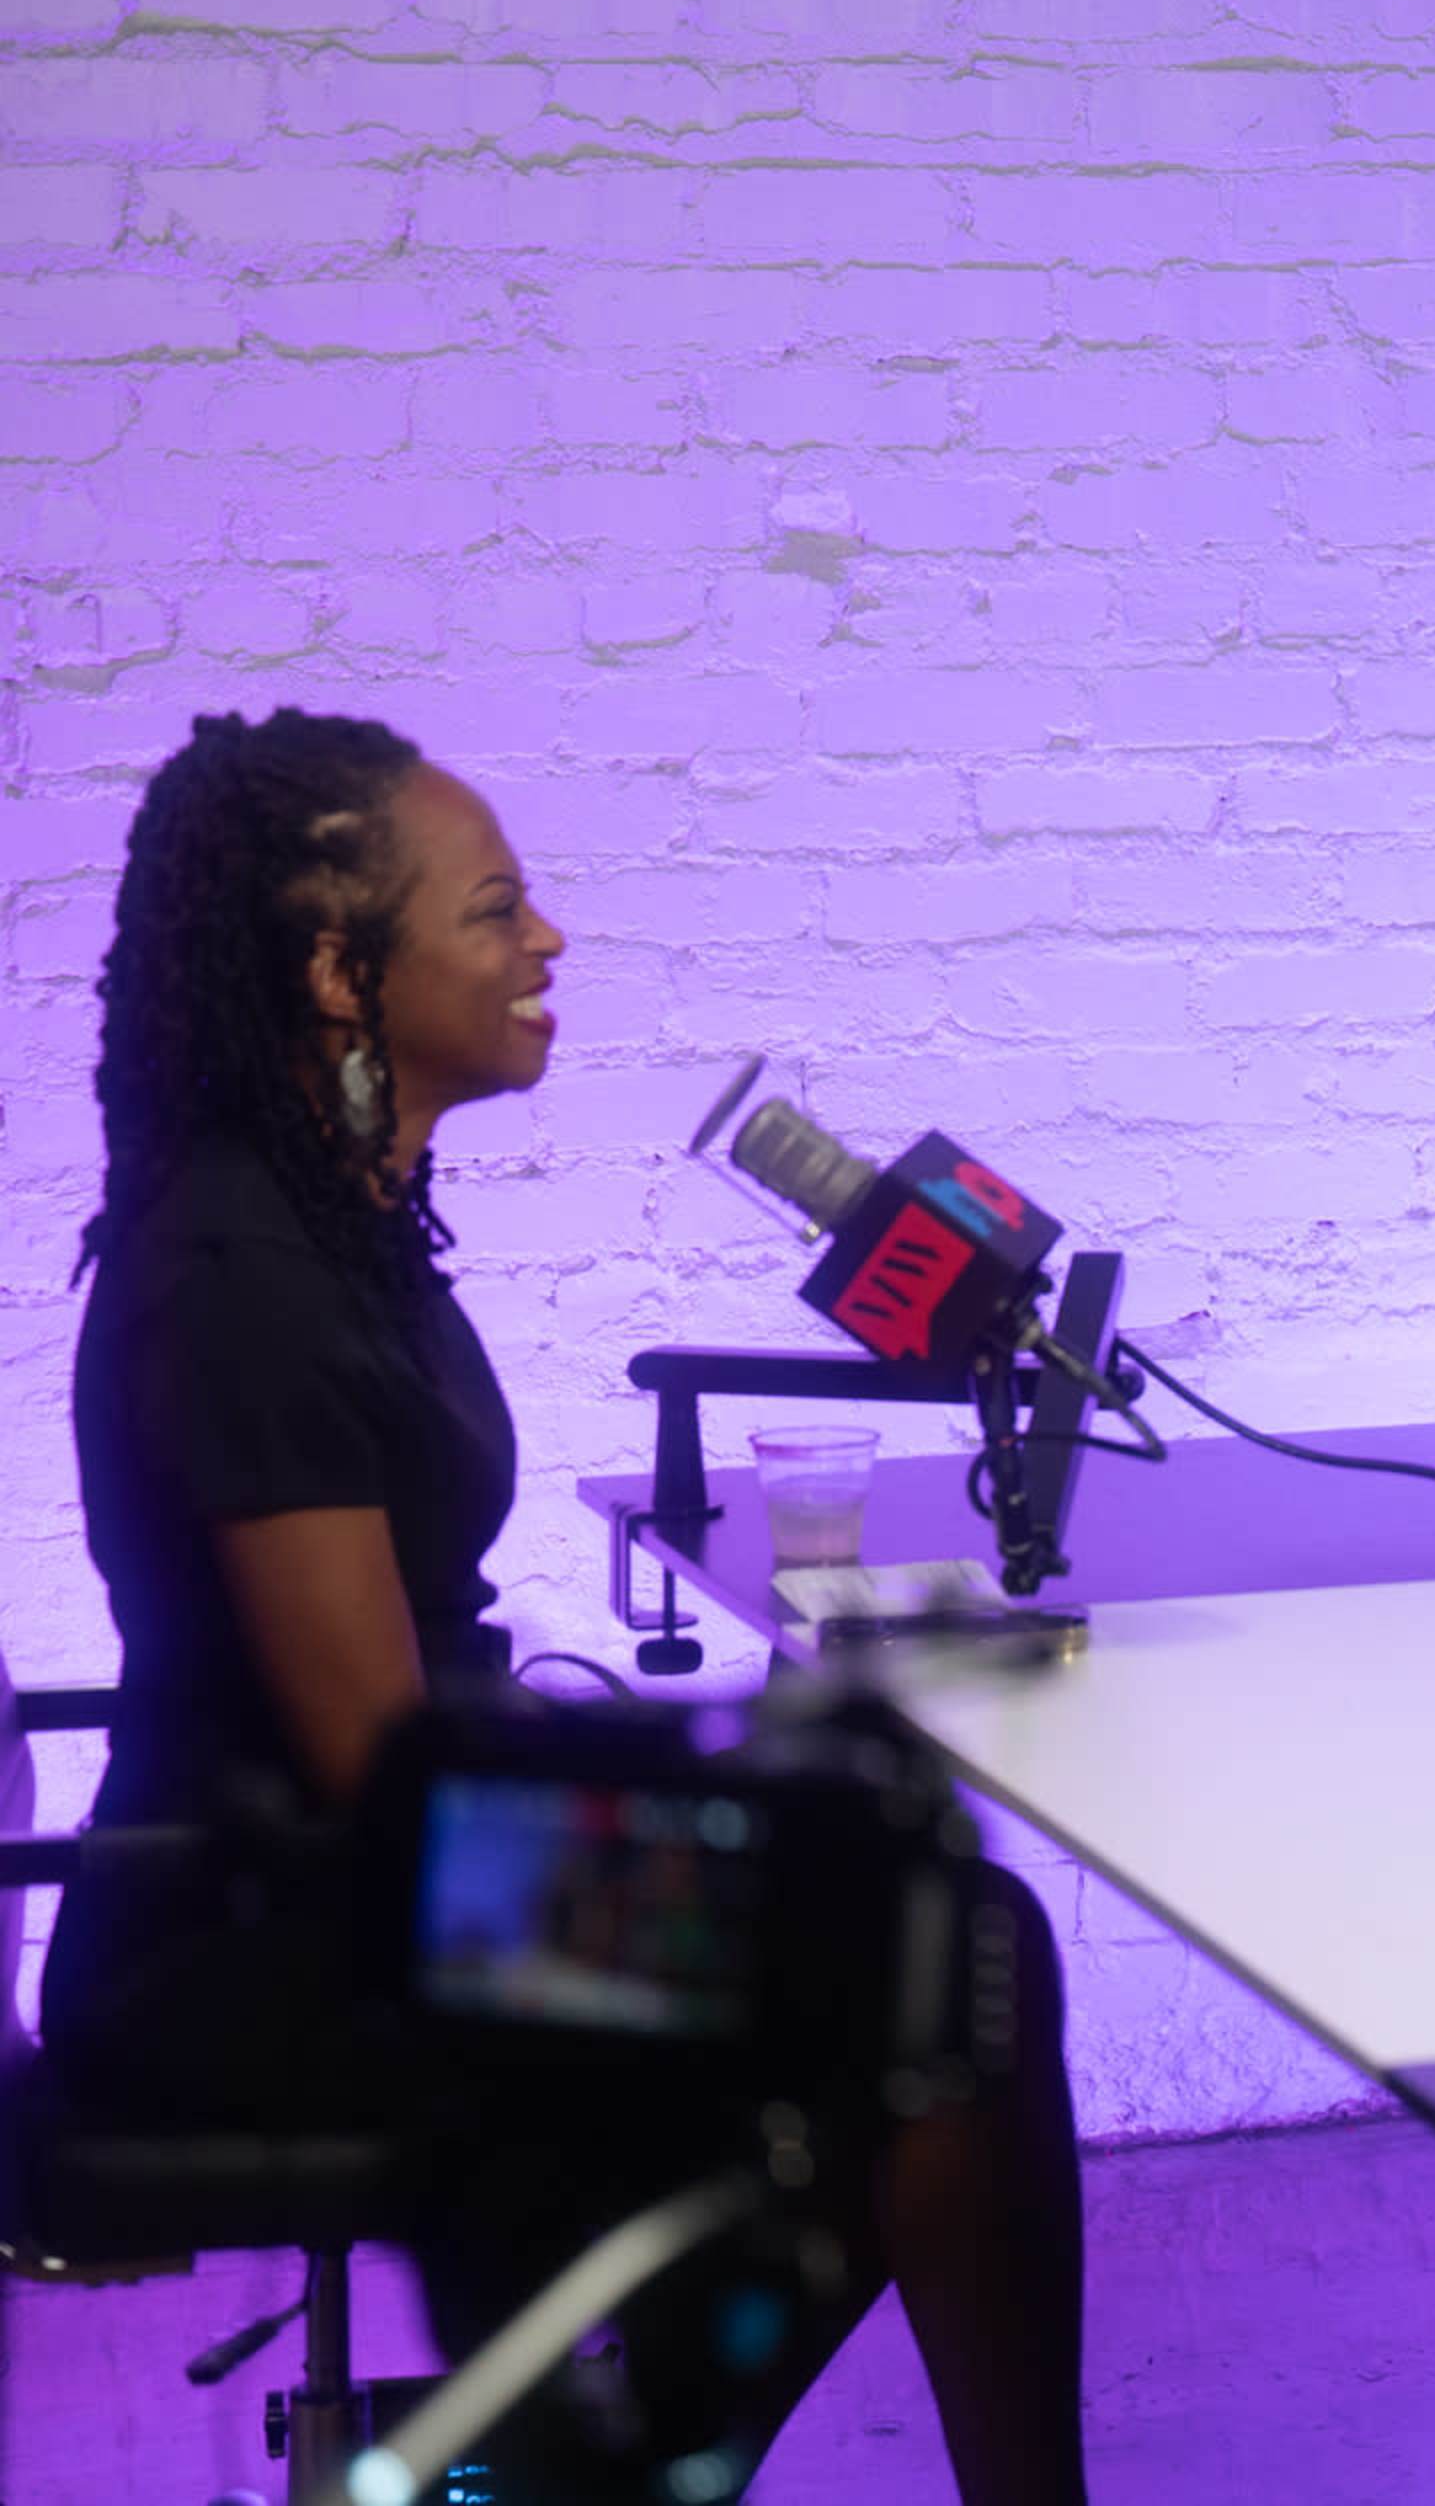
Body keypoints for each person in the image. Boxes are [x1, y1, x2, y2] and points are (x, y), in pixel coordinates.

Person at [40, 710, 1092, 2503]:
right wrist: (730, 1807)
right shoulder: (238, 1276)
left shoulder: (334, 1223)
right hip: (259, 1938)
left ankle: (622, 2463)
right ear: (334, 967)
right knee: (945, 1961)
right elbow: (385, 1770)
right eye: (494, 908)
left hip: (359, 1873)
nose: (548, 944)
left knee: (919, 1941)